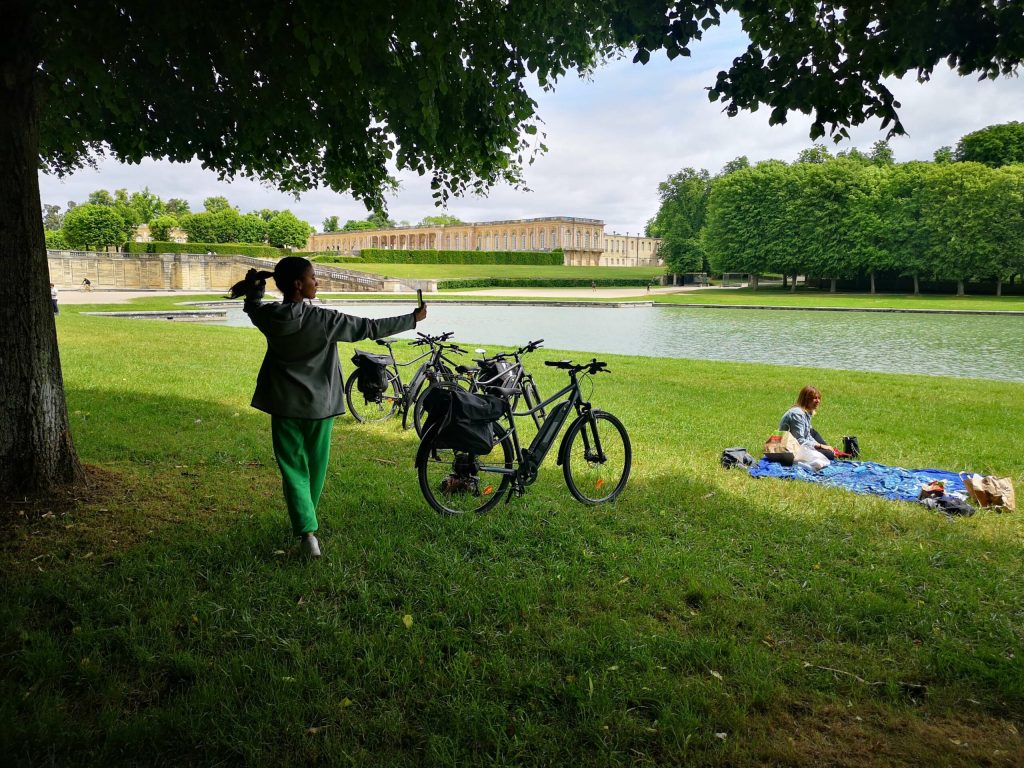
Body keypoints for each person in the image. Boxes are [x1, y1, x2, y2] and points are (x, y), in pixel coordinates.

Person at [229, 257, 427, 559]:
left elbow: (253, 308)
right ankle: (308, 527)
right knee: (315, 467)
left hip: (284, 405)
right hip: (319, 407)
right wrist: (413, 318)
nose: (316, 282)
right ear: (298, 284)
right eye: (312, 277)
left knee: (293, 469)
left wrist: (255, 291)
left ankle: (307, 532)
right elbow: (370, 328)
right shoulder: (324, 321)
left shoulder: (270, 317)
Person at [779, 385, 835, 467]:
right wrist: (820, 446)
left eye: (819, 398)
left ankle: (828, 450)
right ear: (806, 399)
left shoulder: (805, 412)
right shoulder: (797, 414)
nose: (818, 401)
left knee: (814, 433)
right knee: (829, 454)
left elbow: (808, 435)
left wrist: (822, 447)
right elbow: (799, 440)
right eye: (814, 398)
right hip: (788, 448)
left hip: (799, 445)